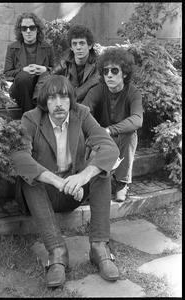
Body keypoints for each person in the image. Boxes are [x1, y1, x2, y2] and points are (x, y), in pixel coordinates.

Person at [10, 75, 120, 288]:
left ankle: (99, 248)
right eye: (52, 98)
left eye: (63, 97)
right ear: (44, 102)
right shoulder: (31, 118)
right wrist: (58, 182)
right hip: (44, 195)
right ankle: (57, 251)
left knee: (102, 170)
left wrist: (82, 177)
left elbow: (109, 148)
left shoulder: (82, 114)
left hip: (73, 191)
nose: (58, 104)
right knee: (29, 177)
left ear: (71, 99)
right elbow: (18, 156)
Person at [82, 47, 143, 202]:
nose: (109, 75)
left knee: (130, 134)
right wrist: (96, 133)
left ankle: (122, 183)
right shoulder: (96, 91)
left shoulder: (133, 93)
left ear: (125, 73)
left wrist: (109, 130)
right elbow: (83, 114)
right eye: (105, 71)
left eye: (115, 71)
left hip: (119, 139)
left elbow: (137, 119)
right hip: (99, 140)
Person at [4, 12, 54, 113]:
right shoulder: (12, 48)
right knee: (24, 76)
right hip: (20, 88)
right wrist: (23, 70)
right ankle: (29, 115)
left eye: (32, 27)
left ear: (37, 29)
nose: (28, 31)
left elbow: (55, 70)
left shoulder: (47, 47)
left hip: (41, 87)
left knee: (46, 75)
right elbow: (7, 74)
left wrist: (45, 69)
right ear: (20, 30)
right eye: (24, 28)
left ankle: (39, 115)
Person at [37, 24, 99, 103]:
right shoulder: (64, 63)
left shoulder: (98, 64)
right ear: (71, 47)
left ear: (90, 46)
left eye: (82, 43)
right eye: (74, 44)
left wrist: (68, 99)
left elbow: (91, 84)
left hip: (87, 105)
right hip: (67, 103)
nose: (78, 47)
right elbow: (47, 77)